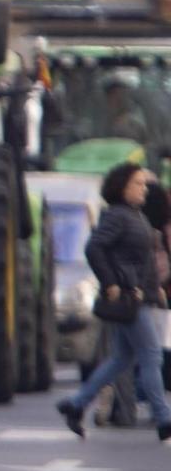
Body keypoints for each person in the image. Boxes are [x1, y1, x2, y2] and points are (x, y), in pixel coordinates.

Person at [57, 162, 171, 440]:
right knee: (151, 356)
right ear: (122, 187)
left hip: (139, 296)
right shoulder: (118, 217)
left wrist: (155, 289)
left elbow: (142, 260)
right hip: (129, 299)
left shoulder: (135, 216)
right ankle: (164, 417)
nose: (144, 189)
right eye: (138, 184)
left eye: (144, 184)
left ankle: (76, 404)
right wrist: (111, 283)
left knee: (121, 359)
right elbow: (94, 248)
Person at [104, 78, 151, 144]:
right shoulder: (102, 123)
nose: (118, 100)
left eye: (121, 95)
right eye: (112, 96)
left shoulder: (134, 124)